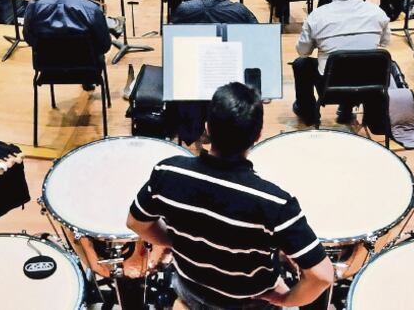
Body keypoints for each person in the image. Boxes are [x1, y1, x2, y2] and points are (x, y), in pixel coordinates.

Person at [128, 82, 332, 309]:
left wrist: (176, 242)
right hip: (248, 303)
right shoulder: (275, 205)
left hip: (190, 287)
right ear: (258, 135)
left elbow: (136, 222)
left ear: (207, 128)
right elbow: (322, 277)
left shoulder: (167, 172)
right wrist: (285, 299)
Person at [170, 0, 258, 149]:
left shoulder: (184, 9)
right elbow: (257, 41)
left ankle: (196, 137)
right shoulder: (240, 11)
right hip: (229, 76)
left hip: (191, 79)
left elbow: (175, 43)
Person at [292, 0, 391, 128]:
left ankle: (308, 112)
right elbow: (385, 42)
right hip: (367, 85)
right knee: (364, 60)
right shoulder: (378, 13)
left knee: (301, 64)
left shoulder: (317, 16)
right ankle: (346, 109)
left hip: (330, 87)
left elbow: (302, 51)